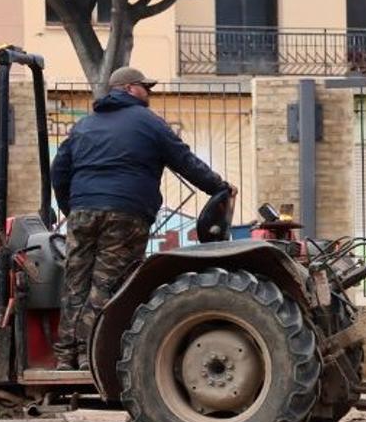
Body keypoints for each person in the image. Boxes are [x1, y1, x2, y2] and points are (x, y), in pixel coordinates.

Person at [50, 66, 233, 371]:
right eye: (145, 88)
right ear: (130, 88)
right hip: (125, 212)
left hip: (83, 212)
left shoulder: (84, 126)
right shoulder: (149, 123)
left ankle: (64, 356)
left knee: (74, 281)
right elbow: (185, 161)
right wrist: (219, 187)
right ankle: (87, 354)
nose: (149, 93)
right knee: (108, 283)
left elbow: (59, 171)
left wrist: (72, 207)